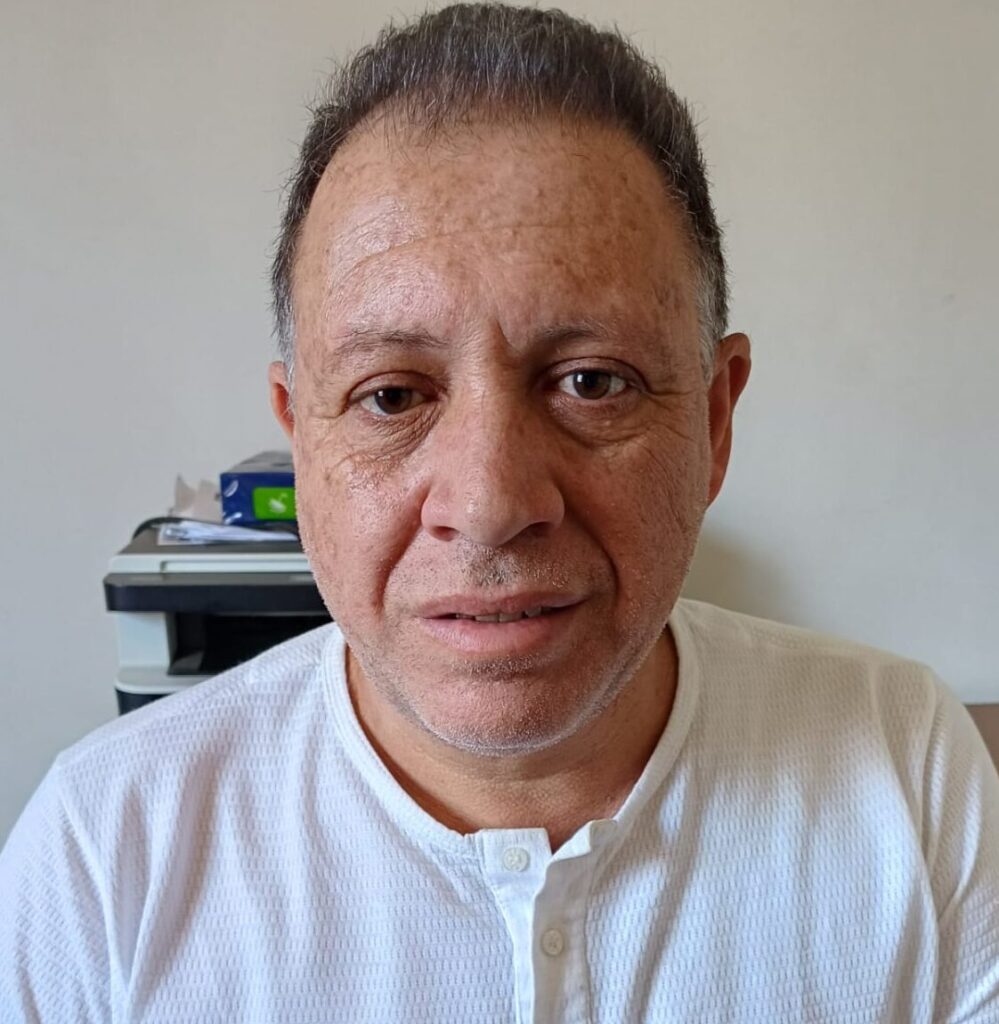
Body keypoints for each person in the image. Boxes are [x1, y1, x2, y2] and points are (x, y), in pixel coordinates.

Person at [2, 4, 997, 1021]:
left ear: (713, 419)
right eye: (392, 395)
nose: (487, 507)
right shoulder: (100, 862)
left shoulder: (906, 770)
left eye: (592, 382)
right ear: (300, 438)